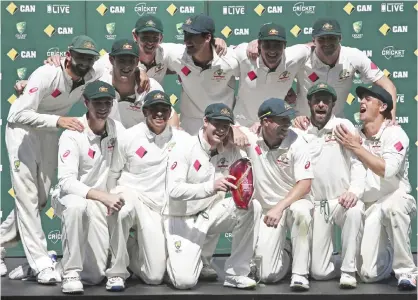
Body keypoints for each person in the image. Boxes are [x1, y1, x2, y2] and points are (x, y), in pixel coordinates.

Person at [2, 35, 104, 284]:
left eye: (89, 58)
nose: (84, 63)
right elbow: (17, 113)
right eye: (79, 56)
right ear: (68, 55)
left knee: (41, 198)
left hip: (49, 134)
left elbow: (119, 66)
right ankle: (41, 264)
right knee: (26, 195)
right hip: (23, 133)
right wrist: (57, 120)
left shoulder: (91, 75)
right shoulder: (47, 73)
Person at [163, 103, 262, 290]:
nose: (221, 130)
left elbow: (251, 156)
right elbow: (173, 191)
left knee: (251, 206)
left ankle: (236, 273)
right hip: (182, 219)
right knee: (184, 282)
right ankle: (175, 260)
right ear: (205, 122)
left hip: (209, 215)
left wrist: (239, 135)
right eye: (217, 124)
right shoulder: (184, 146)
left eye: (226, 125)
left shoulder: (231, 148)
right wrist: (210, 187)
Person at [104, 91, 190, 291]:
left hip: (159, 207)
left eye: (164, 110)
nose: (159, 114)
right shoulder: (128, 136)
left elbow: (206, 144)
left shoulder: (182, 139)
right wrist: (110, 198)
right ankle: (117, 272)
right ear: (145, 111)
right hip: (132, 194)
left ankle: (130, 250)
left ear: (170, 113)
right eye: (154, 110)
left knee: (154, 277)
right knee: (122, 209)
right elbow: (113, 173)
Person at [334, 86, 417, 290]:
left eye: (368, 99)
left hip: (395, 197)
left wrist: (357, 147)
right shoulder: (355, 135)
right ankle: (389, 252)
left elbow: (387, 169)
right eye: (361, 98)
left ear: (383, 107)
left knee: (393, 208)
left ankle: (407, 272)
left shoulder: (395, 133)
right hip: (370, 206)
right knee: (368, 275)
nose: (361, 102)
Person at [50, 81, 126, 294]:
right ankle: (71, 272)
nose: (103, 107)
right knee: (76, 207)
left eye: (107, 103)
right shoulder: (72, 134)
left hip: (99, 202)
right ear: (86, 102)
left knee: (94, 276)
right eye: (97, 102)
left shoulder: (116, 129)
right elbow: (66, 182)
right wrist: (102, 196)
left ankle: (54, 267)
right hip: (70, 196)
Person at [292, 82, 365, 288]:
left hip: (343, 200)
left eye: (326, 101)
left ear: (333, 103)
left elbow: (358, 163)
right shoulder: (300, 131)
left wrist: (354, 191)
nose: (321, 105)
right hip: (318, 204)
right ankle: (345, 261)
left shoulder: (344, 126)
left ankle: (349, 270)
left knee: (355, 210)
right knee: (320, 273)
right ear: (309, 103)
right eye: (317, 100)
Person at [238, 98, 314, 290]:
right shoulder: (251, 138)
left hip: (295, 202)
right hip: (268, 211)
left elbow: (305, 183)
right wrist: (234, 129)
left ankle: (300, 274)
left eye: (289, 120)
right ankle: (287, 250)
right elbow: (223, 127)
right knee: (267, 275)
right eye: (282, 120)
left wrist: (280, 207)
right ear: (265, 122)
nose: (287, 125)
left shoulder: (297, 141)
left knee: (301, 212)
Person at [232, 22, 310, 130]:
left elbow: (315, 45)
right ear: (259, 45)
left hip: (272, 128)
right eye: (267, 44)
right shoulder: (244, 54)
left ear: (285, 46)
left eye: (277, 45)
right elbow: (221, 53)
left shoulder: (295, 56)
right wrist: (217, 41)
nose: (272, 50)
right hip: (242, 126)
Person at [100, 38, 179, 128]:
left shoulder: (151, 87)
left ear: (137, 62)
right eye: (121, 60)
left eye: (131, 61)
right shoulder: (101, 86)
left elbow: (171, 116)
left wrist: (173, 138)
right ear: (111, 60)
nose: (126, 66)